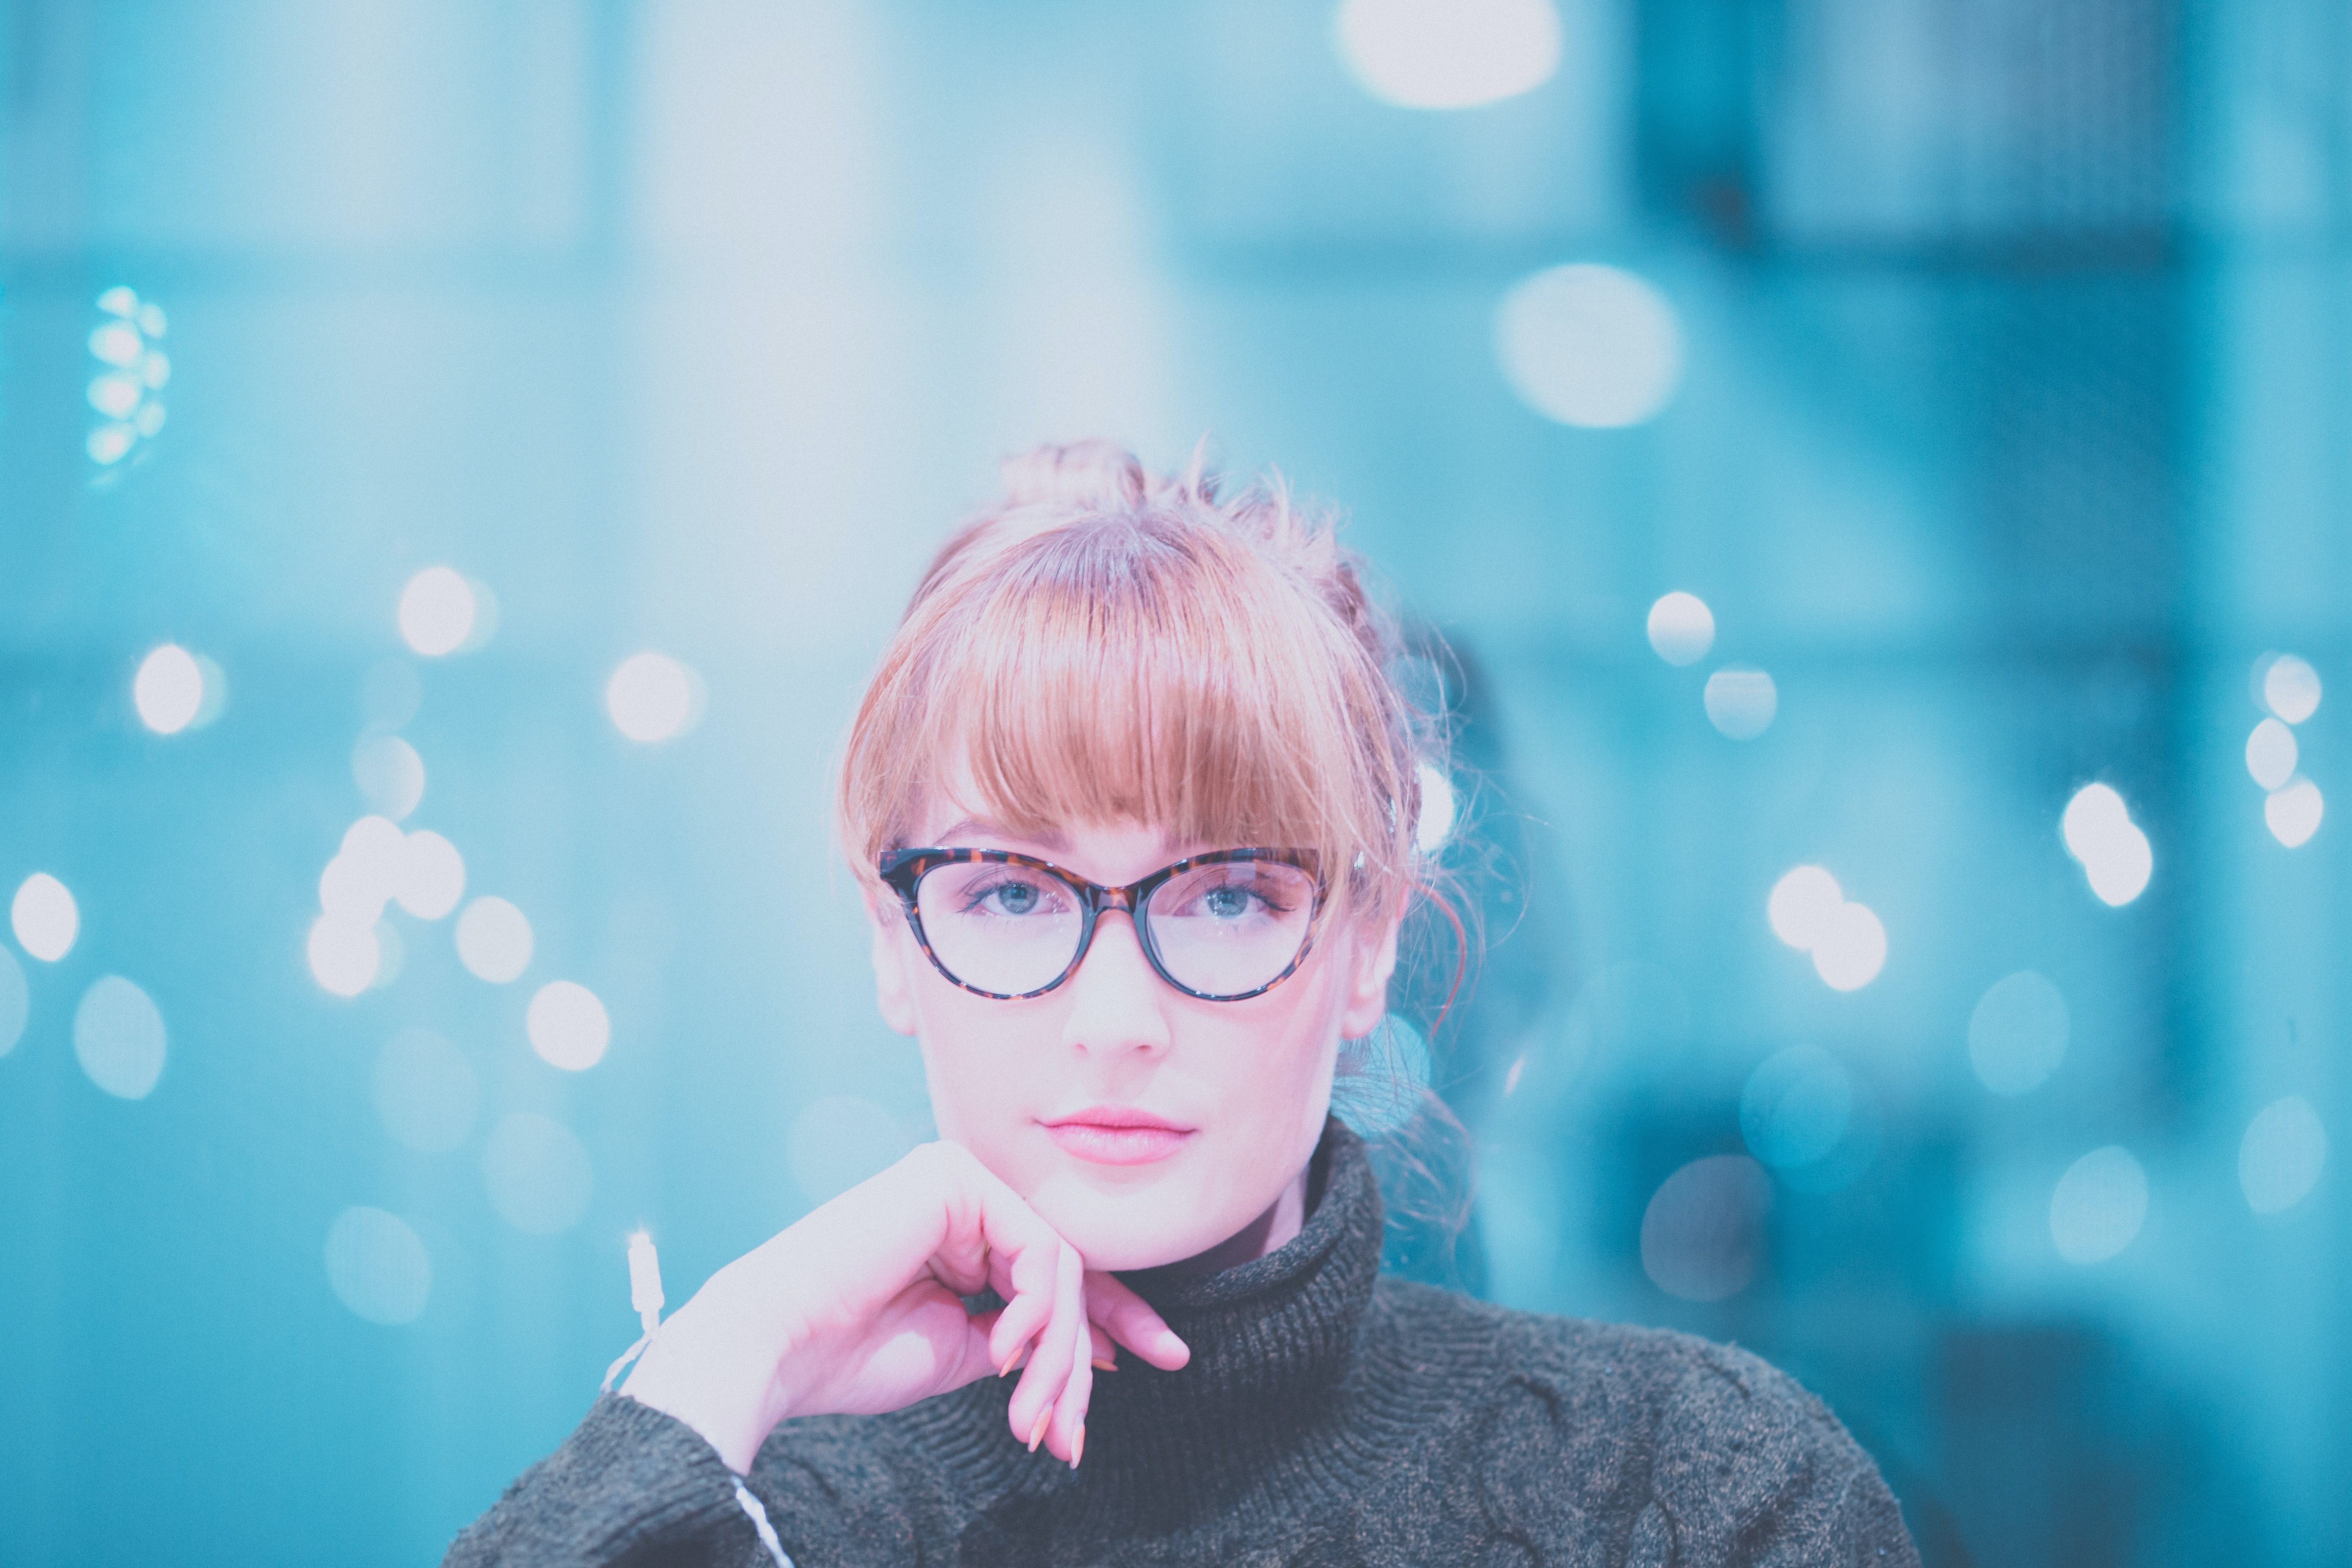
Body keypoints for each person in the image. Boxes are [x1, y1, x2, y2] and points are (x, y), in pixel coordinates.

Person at [447, 441, 1921, 1567]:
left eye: (1226, 896)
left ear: (1364, 948)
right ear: (891, 942)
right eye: (1010, 893)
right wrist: (729, 1355)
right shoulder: (766, 1524)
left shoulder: (1689, 1497)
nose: (1115, 1017)